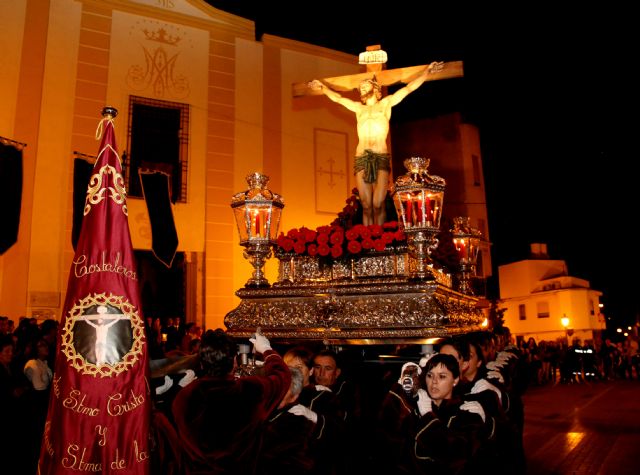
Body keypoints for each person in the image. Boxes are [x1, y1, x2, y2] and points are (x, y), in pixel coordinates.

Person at [308, 61, 443, 225]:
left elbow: (408, 89)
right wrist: (322, 87)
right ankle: (368, 242)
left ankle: (379, 240)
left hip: (380, 156)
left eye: (365, 86)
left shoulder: (385, 105)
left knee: (378, 203)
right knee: (365, 204)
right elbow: (338, 98)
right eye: (361, 88)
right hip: (362, 157)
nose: (361, 89)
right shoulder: (359, 108)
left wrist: (426, 72)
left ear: (375, 88)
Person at [171, 328, 290, 474]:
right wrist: (266, 349)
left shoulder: (183, 397)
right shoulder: (250, 391)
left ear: (201, 363)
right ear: (234, 361)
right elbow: (282, 376)